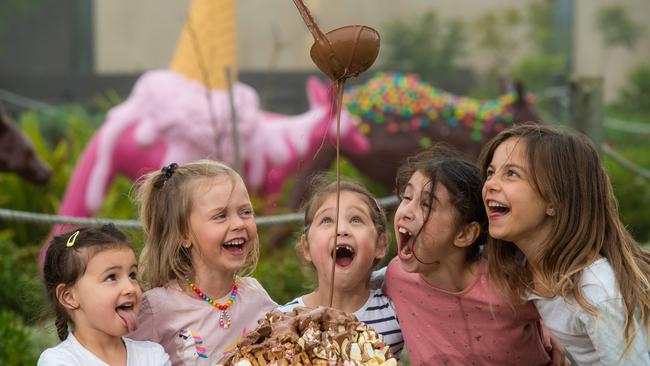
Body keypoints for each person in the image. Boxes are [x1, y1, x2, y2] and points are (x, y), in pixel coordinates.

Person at [480, 123, 650, 365]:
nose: (491, 184)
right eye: (490, 172)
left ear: (554, 200)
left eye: (512, 174)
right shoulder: (524, 267)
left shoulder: (596, 291)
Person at [383, 143, 565, 365]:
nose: (406, 212)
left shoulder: (509, 287)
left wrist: (551, 329)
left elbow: (563, 312)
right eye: (407, 197)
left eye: (426, 204)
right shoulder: (396, 276)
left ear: (465, 233)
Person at [128, 160, 277, 365]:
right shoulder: (157, 308)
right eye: (220, 216)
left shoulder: (255, 296)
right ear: (183, 234)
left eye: (245, 212)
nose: (238, 224)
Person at [277, 175, 403, 357]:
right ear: (306, 247)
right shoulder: (285, 320)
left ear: (380, 245)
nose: (341, 230)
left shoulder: (396, 313)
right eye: (327, 220)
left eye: (356, 219)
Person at [38, 224, 170, 366]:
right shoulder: (58, 361)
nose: (130, 288)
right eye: (111, 277)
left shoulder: (153, 355)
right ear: (69, 297)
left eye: (132, 275)